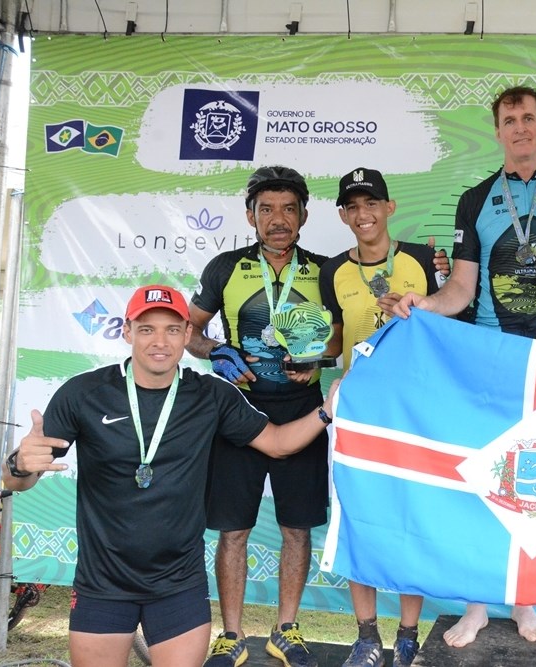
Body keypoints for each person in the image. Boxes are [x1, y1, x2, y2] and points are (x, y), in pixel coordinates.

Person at [1, 285, 337, 667]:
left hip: (179, 584)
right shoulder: (84, 393)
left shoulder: (211, 395)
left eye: (172, 329)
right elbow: (17, 481)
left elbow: (276, 443)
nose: (160, 341)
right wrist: (19, 464)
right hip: (102, 583)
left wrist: (326, 411)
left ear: (187, 334)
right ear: (127, 331)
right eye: (147, 329)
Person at [393, 85, 536, 648]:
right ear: (497, 131)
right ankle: (475, 604)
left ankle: (524, 603)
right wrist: (425, 304)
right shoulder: (475, 200)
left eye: (528, 118)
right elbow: (461, 288)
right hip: (490, 357)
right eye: (509, 120)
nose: (520, 127)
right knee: (484, 479)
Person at [186, 166, 330, 667]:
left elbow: (340, 335)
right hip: (238, 413)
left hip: (304, 412)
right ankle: (231, 635)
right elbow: (189, 330)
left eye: (288, 209)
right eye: (266, 209)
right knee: (233, 530)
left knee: (297, 528)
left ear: (303, 216)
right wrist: (216, 351)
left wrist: (319, 356)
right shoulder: (225, 267)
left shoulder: (324, 270)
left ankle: (286, 630)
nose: (278, 219)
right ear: (251, 216)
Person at [319, 167, 440, 667]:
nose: (362, 214)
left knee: (413, 515)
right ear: (342, 215)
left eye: (372, 204)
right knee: (357, 516)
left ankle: (408, 635)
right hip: (358, 410)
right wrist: (306, 355)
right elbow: (334, 338)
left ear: (390, 208)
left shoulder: (423, 260)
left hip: (414, 408)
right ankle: (367, 636)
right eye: (352, 206)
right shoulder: (332, 271)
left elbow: (447, 323)